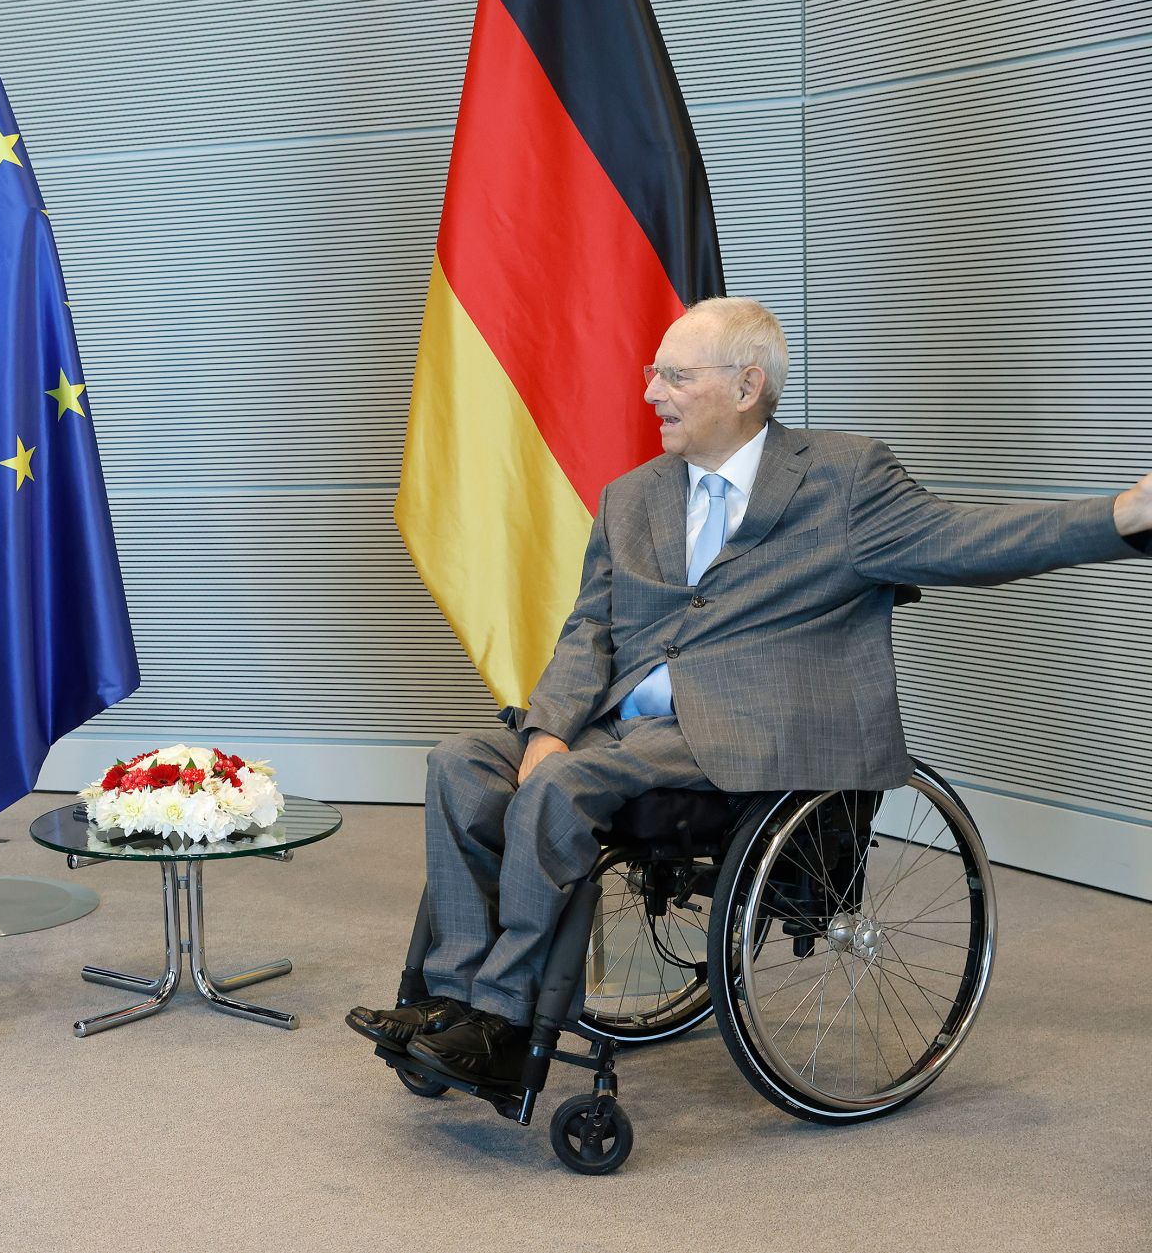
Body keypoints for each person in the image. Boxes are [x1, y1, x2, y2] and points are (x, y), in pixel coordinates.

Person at [349, 295, 1152, 1087]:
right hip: (619, 724)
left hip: (749, 729)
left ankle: (500, 1015)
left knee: (562, 784)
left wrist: (1121, 515)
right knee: (458, 762)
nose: (650, 393)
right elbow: (588, 629)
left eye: (673, 375)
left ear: (746, 385)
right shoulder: (632, 496)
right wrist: (552, 725)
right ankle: (452, 1000)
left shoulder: (843, 480)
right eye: (651, 373)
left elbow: (970, 540)